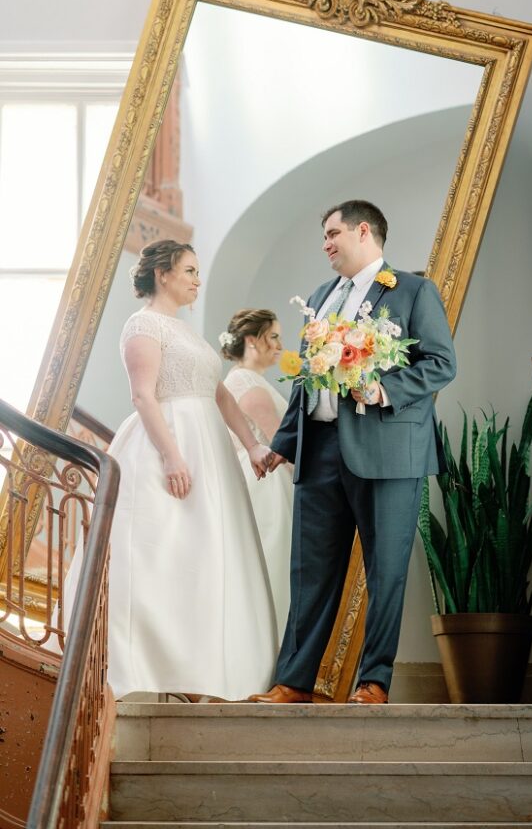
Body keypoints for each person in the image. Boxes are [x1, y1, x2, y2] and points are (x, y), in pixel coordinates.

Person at [249, 200, 457, 705]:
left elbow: (441, 363)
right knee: (310, 569)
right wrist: (283, 444)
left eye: (332, 233)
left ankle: (373, 682)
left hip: (388, 452)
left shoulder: (412, 291)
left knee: (385, 571)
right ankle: (294, 682)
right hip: (318, 450)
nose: (326, 243)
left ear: (364, 231)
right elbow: (307, 378)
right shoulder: (320, 296)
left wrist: (383, 390)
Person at [104, 239, 278, 701]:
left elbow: (219, 394)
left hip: (211, 447)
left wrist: (253, 446)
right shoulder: (142, 325)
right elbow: (143, 395)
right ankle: (154, 668)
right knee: (165, 552)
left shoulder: (188, 332)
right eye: (189, 270)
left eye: (198, 272)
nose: (198, 280)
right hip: (171, 442)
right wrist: (171, 455)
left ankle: (210, 672)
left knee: (210, 553)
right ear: (162, 274)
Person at [222, 309, 294, 641]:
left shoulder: (241, 381)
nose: (280, 345)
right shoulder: (249, 387)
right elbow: (282, 446)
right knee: (272, 565)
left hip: (256, 483)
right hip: (267, 487)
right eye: (274, 336)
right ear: (252, 340)